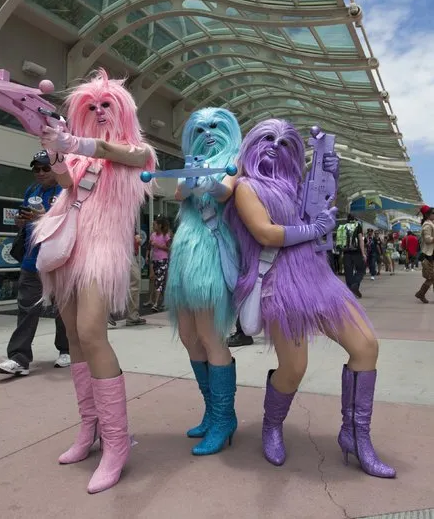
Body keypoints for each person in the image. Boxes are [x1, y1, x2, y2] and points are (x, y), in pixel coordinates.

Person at [225, 119, 395, 479]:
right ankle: (271, 426)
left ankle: (355, 435)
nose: (275, 146)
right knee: (294, 368)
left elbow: (322, 210)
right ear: (254, 143)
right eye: (268, 138)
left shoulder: (298, 185)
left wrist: (330, 175)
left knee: (365, 346)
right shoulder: (245, 187)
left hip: (320, 279)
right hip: (281, 284)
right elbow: (265, 233)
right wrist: (312, 229)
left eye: (285, 143)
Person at [33, 68, 155, 494]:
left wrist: (72, 143)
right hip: (67, 246)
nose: (100, 111)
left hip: (102, 251)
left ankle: (117, 443)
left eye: (108, 104)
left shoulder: (138, 151)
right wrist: (54, 152)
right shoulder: (81, 156)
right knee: (74, 335)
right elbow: (66, 183)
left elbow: (111, 150)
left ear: (121, 110)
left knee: (91, 331)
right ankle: (90, 431)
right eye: (93, 106)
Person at [164, 107, 241, 456]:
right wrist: (191, 176)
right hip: (184, 255)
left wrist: (206, 181)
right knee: (187, 336)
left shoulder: (234, 160)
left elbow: (225, 191)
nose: (209, 132)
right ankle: (212, 412)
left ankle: (224, 418)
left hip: (210, 252)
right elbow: (179, 194)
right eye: (200, 127)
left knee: (211, 336)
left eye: (215, 126)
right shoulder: (191, 161)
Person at [0, 152, 69, 377]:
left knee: (63, 309)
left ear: (56, 169)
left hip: (58, 260)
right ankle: (19, 358)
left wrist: (44, 217)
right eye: (36, 169)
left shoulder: (67, 191)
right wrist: (21, 220)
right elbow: (26, 220)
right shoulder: (31, 191)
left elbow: (71, 223)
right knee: (26, 308)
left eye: (45, 168)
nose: (40, 173)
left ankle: (67, 349)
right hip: (31, 259)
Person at [336, 214, 366, 298]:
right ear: (355, 219)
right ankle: (355, 285)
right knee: (361, 269)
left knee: (348, 272)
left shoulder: (343, 226)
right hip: (357, 252)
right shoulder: (358, 225)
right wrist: (363, 253)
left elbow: (340, 240)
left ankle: (350, 292)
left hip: (346, 253)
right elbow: (360, 240)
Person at [147, 216, 171, 312]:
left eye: (155, 224)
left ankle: (156, 304)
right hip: (155, 260)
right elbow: (149, 246)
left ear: (160, 225)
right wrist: (148, 256)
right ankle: (164, 301)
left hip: (163, 260)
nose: (153, 226)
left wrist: (159, 246)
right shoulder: (152, 235)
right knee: (158, 281)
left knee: (159, 281)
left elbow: (170, 248)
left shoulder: (166, 236)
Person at [415, 206, 434, 303]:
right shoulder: (427, 225)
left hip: (431, 253)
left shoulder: (431, 223)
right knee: (431, 277)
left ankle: (421, 293)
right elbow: (428, 239)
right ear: (427, 214)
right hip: (429, 255)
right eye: (433, 213)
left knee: (432, 277)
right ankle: (421, 293)